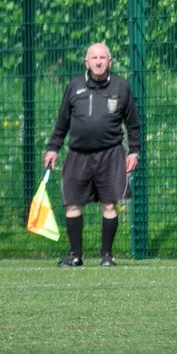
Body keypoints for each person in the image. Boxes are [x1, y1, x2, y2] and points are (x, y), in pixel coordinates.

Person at [43, 42, 141, 267]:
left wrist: (134, 152)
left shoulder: (121, 87)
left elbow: (133, 125)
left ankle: (107, 256)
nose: (98, 62)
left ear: (110, 62)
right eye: (94, 58)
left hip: (111, 154)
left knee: (109, 205)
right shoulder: (75, 85)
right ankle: (75, 255)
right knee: (73, 204)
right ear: (86, 62)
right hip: (78, 155)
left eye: (102, 58)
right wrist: (53, 148)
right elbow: (62, 121)